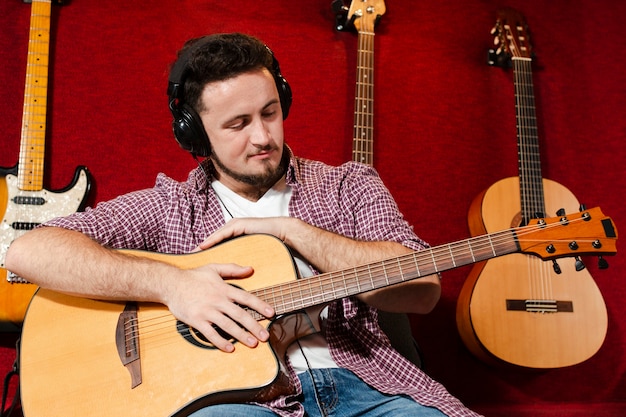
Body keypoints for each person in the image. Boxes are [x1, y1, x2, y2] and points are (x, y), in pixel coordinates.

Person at [5, 33, 480, 417]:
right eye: (237, 124)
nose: (262, 137)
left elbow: (422, 289)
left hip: (370, 388)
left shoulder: (348, 186)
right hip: (240, 403)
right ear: (196, 134)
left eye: (270, 113)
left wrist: (294, 232)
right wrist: (172, 285)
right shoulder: (173, 206)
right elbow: (28, 252)